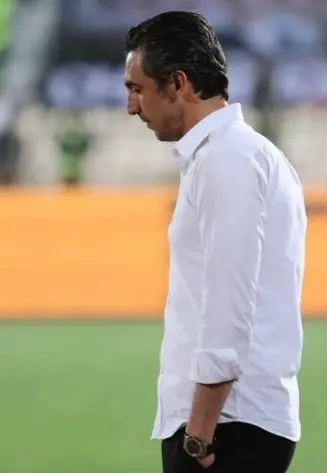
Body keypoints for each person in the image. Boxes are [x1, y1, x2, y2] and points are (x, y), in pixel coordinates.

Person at [123, 11, 307, 473]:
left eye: (138, 89)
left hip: (228, 427)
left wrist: (198, 435)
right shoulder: (231, 154)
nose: (131, 107)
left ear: (178, 83)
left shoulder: (228, 159)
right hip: (231, 422)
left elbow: (228, 301)